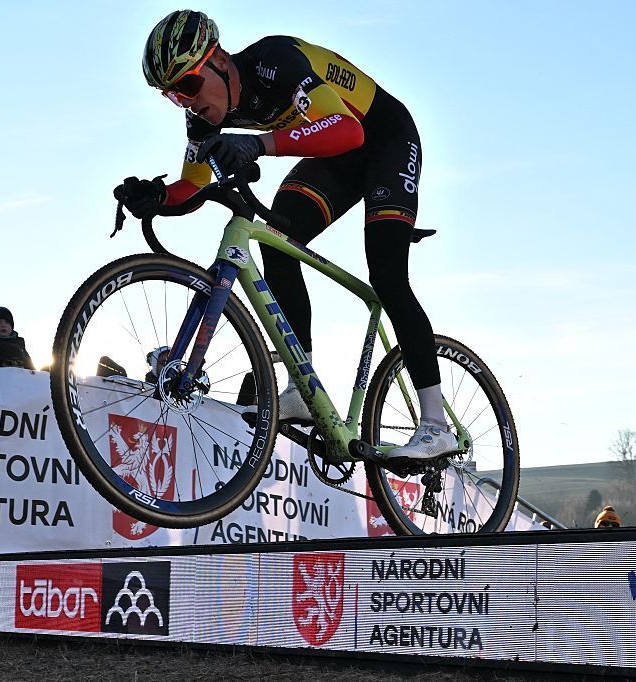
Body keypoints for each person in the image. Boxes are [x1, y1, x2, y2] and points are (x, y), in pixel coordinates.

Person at [117, 10, 451, 461]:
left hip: (383, 138)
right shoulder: (204, 118)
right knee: (277, 242)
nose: (186, 101)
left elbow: (349, 130)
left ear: (217, 60)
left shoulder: (276, 62)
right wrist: (155, 196)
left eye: (189, 85)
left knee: (388, 276)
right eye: (174, 96)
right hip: (333, 153)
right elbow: (193, 184)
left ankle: (436, 425)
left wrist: (257, 144)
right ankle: (301, 387)